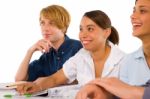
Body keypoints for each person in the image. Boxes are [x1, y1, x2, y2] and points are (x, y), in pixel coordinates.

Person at [16, 10, 125, 95]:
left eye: (90, 29)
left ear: (106, 32)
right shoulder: (81, 56)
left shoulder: (123, 60)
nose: (83, 34)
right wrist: (36, 86)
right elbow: (55, 78)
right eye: (81, 29)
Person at [76, 0, 150, 98]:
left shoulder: (121, 59)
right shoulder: (128, 61)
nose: (132, 16)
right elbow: (124, 94)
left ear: (106, 32)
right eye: (134, 10)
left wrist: (129, 91)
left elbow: (129, 92)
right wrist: (105, 93)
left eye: (143, 11)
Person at [15, 5, 82, 82]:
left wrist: (45, 81)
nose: (45, 28)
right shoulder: (47, 56)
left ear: (63, 27)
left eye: (51, 23)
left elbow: (83, 81)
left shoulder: (78, 48)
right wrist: (30, 51)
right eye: (42, 23)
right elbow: (19, 79)